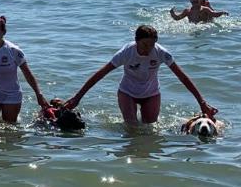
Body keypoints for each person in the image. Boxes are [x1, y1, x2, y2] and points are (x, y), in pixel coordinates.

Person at [65, 24, 218, 124]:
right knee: (131, 127)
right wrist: (77, 97)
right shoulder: (126, 52)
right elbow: (100, 74)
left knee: (149, 129)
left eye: (151, 45)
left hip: (151, 93)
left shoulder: (161, 53)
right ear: (136, 41)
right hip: (127, 92)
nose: (148, 49)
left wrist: (202, 103)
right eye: (145, 44)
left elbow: (182, 77)